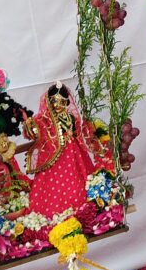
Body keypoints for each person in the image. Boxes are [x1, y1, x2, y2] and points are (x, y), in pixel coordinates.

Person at [23, 83, 102, 217]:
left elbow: (80, 131)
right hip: (53, 155)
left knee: (78, 180)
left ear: (66, 103)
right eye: (54, 101)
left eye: (61, 102)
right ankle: (55, 211)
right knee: (53, 185)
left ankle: (80, 207)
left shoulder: (71, 117)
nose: (57, 105)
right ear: (48, 101)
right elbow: (35, 131)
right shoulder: (44, 119)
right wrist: (30, 125)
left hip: (74, 154)